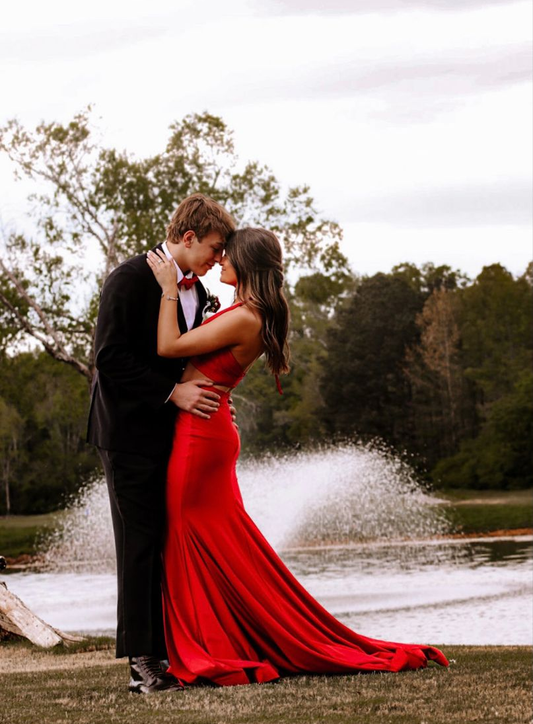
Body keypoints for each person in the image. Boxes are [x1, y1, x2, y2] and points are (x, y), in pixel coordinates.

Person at [145, 227, 449, 687]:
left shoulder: (247, 317)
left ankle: (213, 645)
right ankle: (225, 637)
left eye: (228, 255)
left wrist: (170, 290)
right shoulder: (244, 312)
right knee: (219, 542)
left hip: (199, 436)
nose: (221, 259)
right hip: (207, 428)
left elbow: (169, 348)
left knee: (190, 536)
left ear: (246, 264)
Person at [87, 193, 236, 693]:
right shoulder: (129, 279)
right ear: (189, 238)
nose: (219, 260)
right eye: (215, 249)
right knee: (139, 543)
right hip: (128, 435)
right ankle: (143, 665)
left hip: (171, 436)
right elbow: (109, 359)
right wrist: (173, 392)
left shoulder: (198, 292)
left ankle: (176, 650)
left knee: (169, 540)